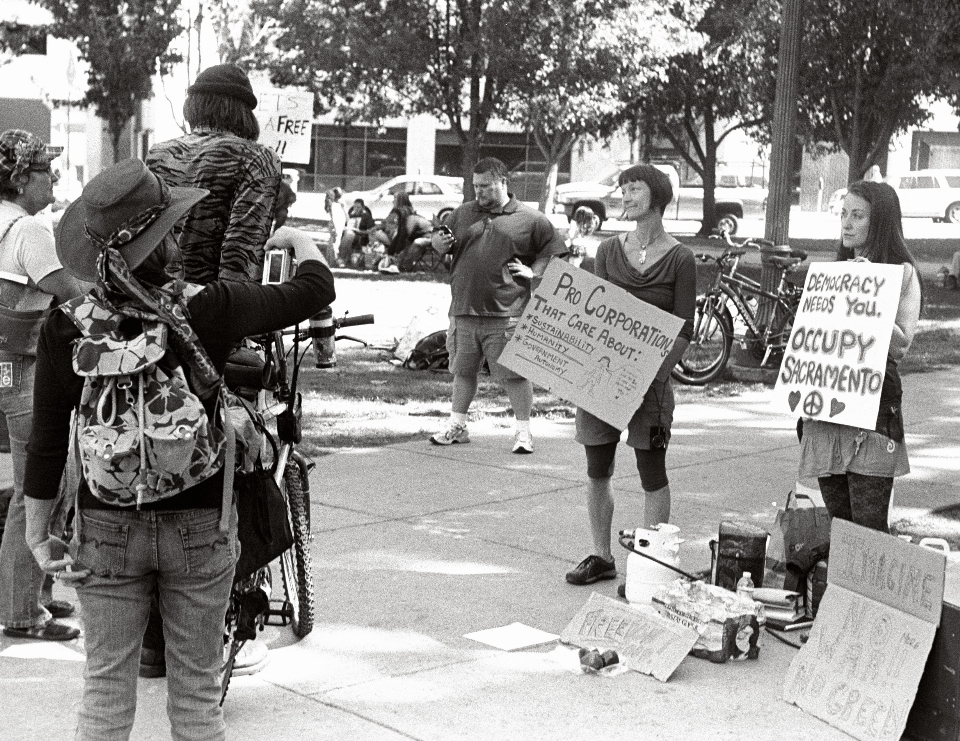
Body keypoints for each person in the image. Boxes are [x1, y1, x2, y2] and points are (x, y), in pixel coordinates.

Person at [22, 158, 335, 739]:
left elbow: (46, 440)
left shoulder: (69, 325)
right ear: (165, 237)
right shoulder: (207, 307)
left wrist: (38, 534)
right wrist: (294, 236)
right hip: (200, 523)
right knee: (196, 696)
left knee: (105, 693)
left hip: (105, 522)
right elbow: (315, 289)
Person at [564, 164, 695, 586]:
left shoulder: (680, 258)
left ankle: (653, 566)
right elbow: (598, 311)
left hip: (651, 386)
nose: (625, 196)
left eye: (634, 189)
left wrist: (654, 376)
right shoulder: (607, 251)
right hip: (604, 379)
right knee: (597, 467)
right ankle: (601, 555)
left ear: (657, 196)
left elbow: (683, 328)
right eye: (623, 189)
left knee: (651, 472)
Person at [797, 180, 922, 533]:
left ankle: (869, 589)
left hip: (874, 409)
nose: (847, 224)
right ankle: (836, 589)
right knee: (839, 526)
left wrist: (872, 298)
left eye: (857, 215)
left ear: (879, 221)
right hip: (829, 406)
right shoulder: (835, 271)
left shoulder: (903, 273)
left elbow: (900, 346)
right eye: (843, 215)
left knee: (867, 528)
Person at [0, 129, 83, 641]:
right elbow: (71, 292)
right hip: (18, 368)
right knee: (39, 485)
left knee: (52, 478)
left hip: (6, 365)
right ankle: (21, 610)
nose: (52, 177)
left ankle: (37, 593)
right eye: (43, 170)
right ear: (18, 178)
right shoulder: (28, 229)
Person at [429, 157, 566, 453]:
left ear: (503, 182)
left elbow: (553, 252)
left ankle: (523, 432)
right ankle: (458, 426)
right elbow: (442, 243)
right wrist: (437, 245)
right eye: (475, 186)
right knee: (462, 371)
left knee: (514, 375)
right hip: (464, 310)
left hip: (507, 314)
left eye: (485, 186)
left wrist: (535, 273)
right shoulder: (463, 213)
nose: (478, 192)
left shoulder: (530, 218)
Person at [146, 63, 281, 285]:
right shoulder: (258, 159)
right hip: (210, 305)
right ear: (243, 112)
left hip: (155, 298)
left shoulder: (159, 153)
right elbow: (242, 253)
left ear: (193, 105)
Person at [385, 193, 433, 272]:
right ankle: (400, 265)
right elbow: (400, 235)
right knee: (408, 242)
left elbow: (402, 235)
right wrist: (391, 252)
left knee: (416, 242)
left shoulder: (404, 213)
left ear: (400, 200)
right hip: (418, 235)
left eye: (395, 199)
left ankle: (404, 267)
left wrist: (394, 252)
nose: (393, 201)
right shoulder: (405, 212)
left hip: (430, 236)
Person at [338, 198, 375, 267]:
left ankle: (342, 258)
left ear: (363, 207)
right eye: (355, 207)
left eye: (358, 207)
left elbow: (371, 231)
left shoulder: (367, 217)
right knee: (348, 233)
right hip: (349, 234)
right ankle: (343, 258)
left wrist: (359, 231)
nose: (356, 209)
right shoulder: (351, 215)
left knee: (349, 234)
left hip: (361, 237)